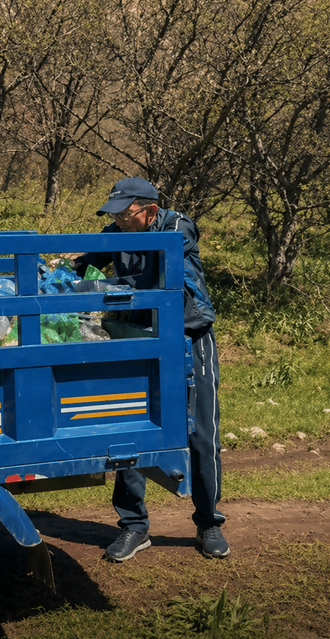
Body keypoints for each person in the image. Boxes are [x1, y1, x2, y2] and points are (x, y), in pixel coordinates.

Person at [72, 176, 229, 562]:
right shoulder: (117, 231)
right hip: (139, 336)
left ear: (150, 210)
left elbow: (165, 257)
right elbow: (88, 263)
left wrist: (114, 281)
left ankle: (209, 523)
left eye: (125, 215)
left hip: (188, 337)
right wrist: (72, 269)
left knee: (202, 435)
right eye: (114, 216)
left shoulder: (177, 226)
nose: (119, 222)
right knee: (132, 428)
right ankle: (134, 526)